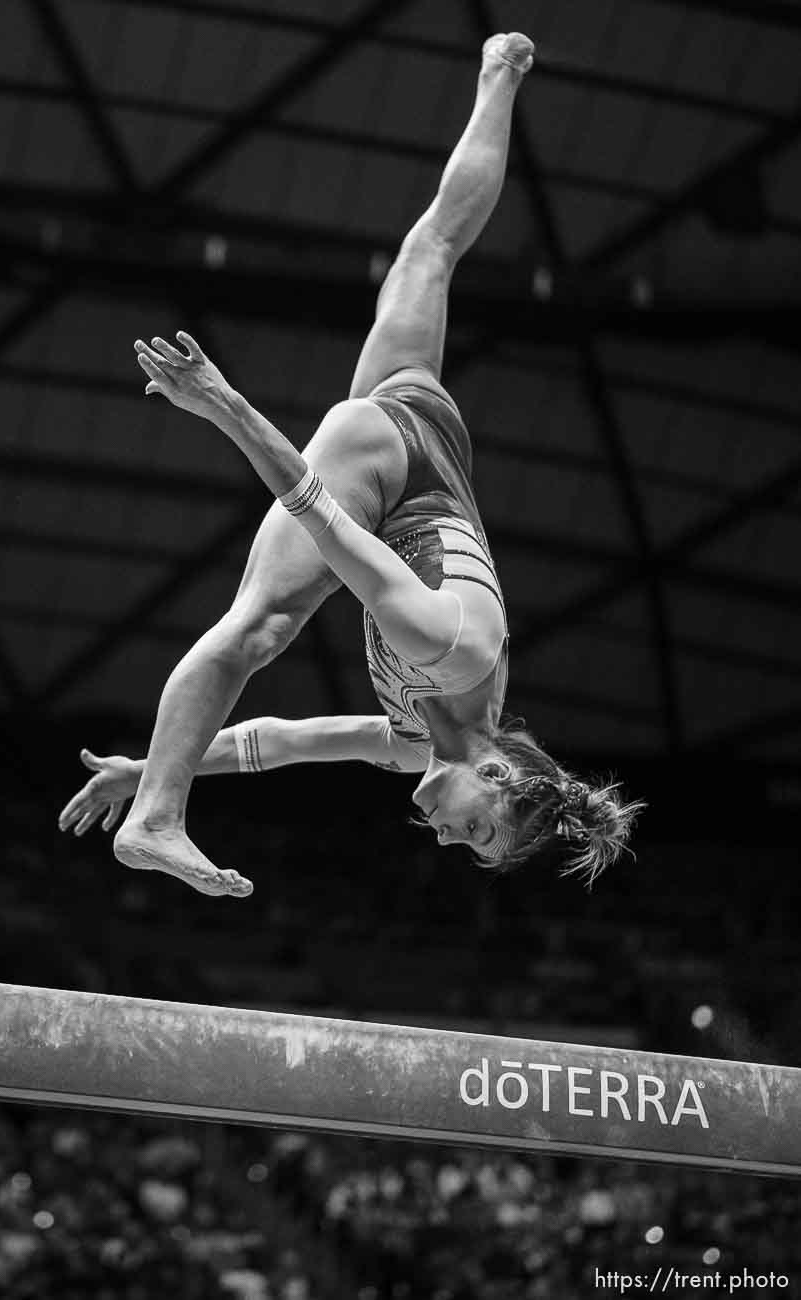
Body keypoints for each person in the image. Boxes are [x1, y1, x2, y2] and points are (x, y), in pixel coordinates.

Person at [58, 33, 643, 897]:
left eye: (465, 847)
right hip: (384, 463)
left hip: (426, 449)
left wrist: (151, 761)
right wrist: (222, 404)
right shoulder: (448, 650)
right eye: (476, 831)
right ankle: (158, 820)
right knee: (261, 626)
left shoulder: (414, 739)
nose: (447, 839)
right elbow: (314, 510)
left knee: (432, 251)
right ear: (497, 776)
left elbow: (275, 742)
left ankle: (500, 75)